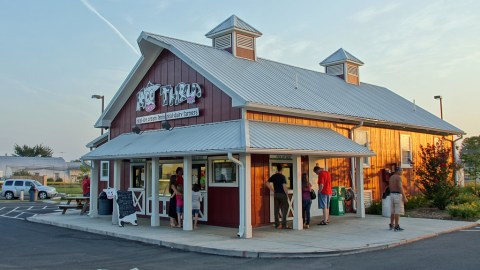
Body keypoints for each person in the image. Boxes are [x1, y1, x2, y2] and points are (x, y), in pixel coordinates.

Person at [265, 164, 290, 229]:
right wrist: (287, 194)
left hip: (276, 194)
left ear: (277, 169)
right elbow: (284, 186)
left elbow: (267, 183)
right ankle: (284, 224)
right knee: (285, 209)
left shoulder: (274, 176)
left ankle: (277, 224)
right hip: (282, 194)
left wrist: (273, 190)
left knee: (276, 210)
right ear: (281, 169)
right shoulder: (282, 177)